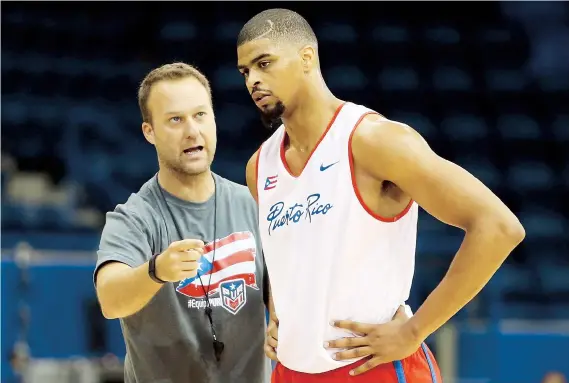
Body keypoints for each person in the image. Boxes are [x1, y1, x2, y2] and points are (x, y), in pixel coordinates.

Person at [237, 9, 526, 383]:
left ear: (307, 57)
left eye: (264, 63)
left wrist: (413, 331)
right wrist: (279, 313)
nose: (254, 81)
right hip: (291, 372)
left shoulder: (373, 140)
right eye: (246, 72)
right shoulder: (259, 166)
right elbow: (286, 254)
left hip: (376, 369)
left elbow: (499, 227)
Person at [93, 62, 271, 383]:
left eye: (200, 115)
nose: (192, 130)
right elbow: (110, 300)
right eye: (176, 119)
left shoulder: (255, 204)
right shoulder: (134, 218)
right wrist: (156, 270)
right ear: (150, 132)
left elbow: (290, 294)